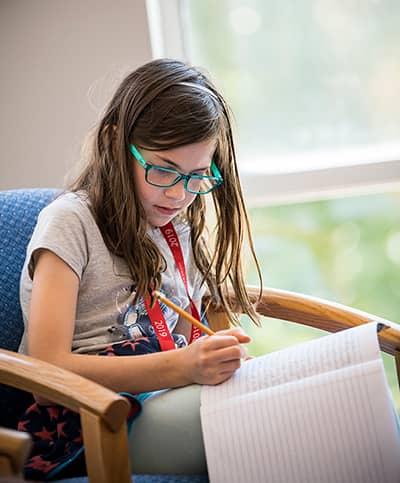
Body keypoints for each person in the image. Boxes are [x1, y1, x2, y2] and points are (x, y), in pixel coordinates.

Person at [18, 58, 262, 479]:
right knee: (264, 418)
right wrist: (184, 366)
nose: (180, 195)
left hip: (158, 399)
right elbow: (47, 363)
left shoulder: (178, 228)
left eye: (197, 176)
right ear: (116, 142)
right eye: (164, 170)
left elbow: (180, 343)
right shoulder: (70, 222)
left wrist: (208, 359)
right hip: (86, 421)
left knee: (321, 397)